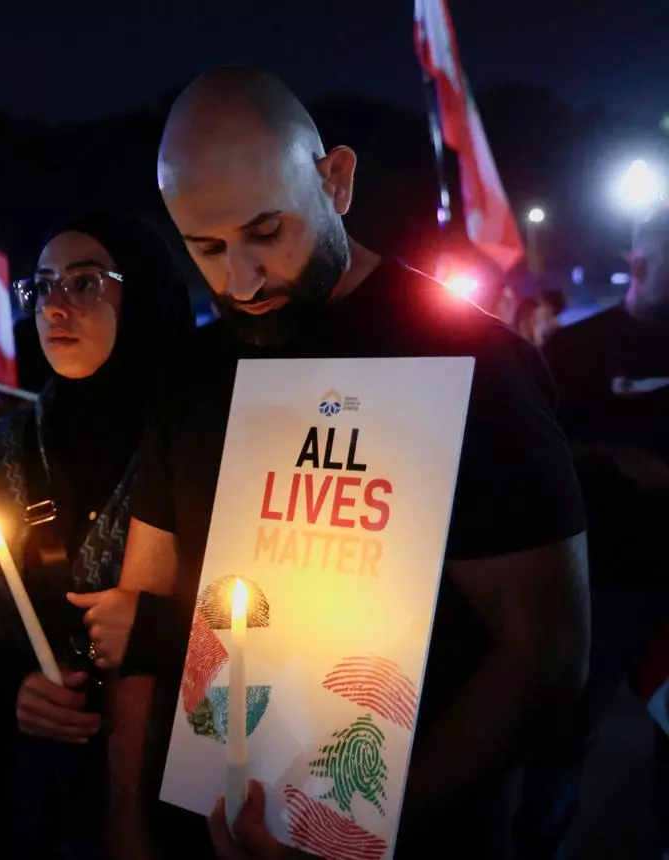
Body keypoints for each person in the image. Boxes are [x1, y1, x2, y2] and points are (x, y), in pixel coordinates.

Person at [105, 67, 589, 859]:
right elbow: (148, 596)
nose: (242, 280)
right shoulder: (193, 372)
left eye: (267, 232)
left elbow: (545, 654)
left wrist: (357, 838)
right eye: (206, 248)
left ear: (335, 180)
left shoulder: (472, 363)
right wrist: (126, 821)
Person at [0, 213, 193, 859]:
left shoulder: (206, 442)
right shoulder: (3, 453)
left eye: (84, 283)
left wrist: (161, 631)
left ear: (143, 293)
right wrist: (11, 691)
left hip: (188, 783)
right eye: (42, 285)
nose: (53, 306)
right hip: (36, 799)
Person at [538, 208, 669, 856]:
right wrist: (615, 458)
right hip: (599, 582)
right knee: (562, 736)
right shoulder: (574, 347)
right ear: (641, 263)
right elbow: (535, 451)